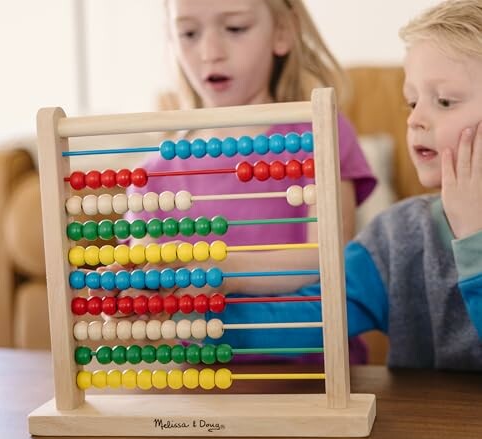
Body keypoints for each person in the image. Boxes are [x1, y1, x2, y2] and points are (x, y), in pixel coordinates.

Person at [212, 0, 482, 370]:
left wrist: (474, 242)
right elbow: (307, 320)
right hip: (424, 425)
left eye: (445, 101)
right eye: (412, 102)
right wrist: (187, 319)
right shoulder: (396, 239)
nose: (416, 119)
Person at [126, 0, 377, 363]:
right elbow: (145, 291)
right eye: (189, 33)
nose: (211, 53)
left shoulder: (321, 135)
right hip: (200, 388)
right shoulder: (149, 178)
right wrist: (130, 299)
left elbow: (329, 259)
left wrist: (224, 270)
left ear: (282, 32)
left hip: (315, 379)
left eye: (236, 28)